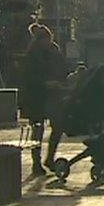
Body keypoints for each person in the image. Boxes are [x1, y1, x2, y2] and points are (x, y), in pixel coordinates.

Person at [22, 23, 67, 176]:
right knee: (38, 129)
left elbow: (62, 68)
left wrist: (61, 81)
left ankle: (49, 158)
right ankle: (36, 163)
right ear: (39, 40)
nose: (48, 42)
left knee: (58, 125)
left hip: (53, 96)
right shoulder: (32, 54)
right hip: (37, 96)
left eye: (49, 39)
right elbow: (28, 77)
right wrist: (45, 83)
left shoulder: (54, 51)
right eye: (45, 40)